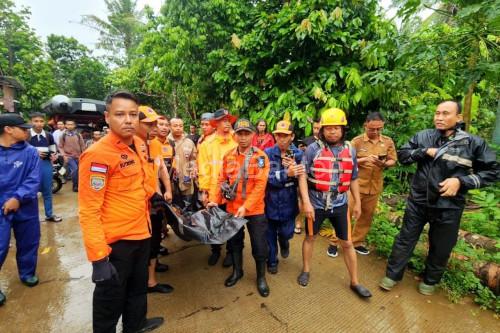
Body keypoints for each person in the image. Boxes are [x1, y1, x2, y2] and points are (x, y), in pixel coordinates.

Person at [379, 100, 499, 296]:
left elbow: (493, 171)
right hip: (419, 200)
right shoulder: (424, 136)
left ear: (458, 118)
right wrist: (424, 151)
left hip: (449, 205)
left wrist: (462, 182)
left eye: (445, 113)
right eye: (437, 113)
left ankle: (430, 280)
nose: (439, 117)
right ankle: (392, 275)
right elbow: (403, 155)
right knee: (405, 239)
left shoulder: (473, 143)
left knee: (442, 246)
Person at [78, 90, 164, 333]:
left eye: (133, 114)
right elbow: (88, 210)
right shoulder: (97, 155)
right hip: (117, 244)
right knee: (110, 300)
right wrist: (98, 258)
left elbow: (139, 181)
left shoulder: (138, 144)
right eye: (120, 114)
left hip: (142, 232)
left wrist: (152, 195)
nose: (128, 120)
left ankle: (135, 325)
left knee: (137, 289)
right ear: (107, 117)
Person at [297, 108, 372, 298]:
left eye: (336, 128)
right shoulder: (313, 149)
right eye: (328, 128)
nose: (332, 132)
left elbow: (353, 177)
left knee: (347, 242)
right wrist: (306, 203)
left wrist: (357, 203)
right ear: (322, 130)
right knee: (310, 238)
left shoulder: (350, 149)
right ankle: (306, 270)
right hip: (316, 203)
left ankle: (355, 281)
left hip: (340, 204)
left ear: (342, 129)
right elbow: (303, 176)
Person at [207, 118, 271, 297]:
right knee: (234, 243)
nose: (243, 137)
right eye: (239, 134)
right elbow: (221, 181)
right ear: (234, 135)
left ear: (252, 135)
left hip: (255, 210)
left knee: (259, 245)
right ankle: (237, 271)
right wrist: (214, 199)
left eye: (246, 133)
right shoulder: (228, 156)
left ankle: (261, 278)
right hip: (233, 209)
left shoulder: (260, 157)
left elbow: (260, 185)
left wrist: (247, 206)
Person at [326, 112, 397, 257]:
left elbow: (393, 160)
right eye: (372, 129)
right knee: (344, 215)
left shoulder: (388, 141)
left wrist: (384, 163)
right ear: (366, 125)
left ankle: (357, 242)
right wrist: (364, 160)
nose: (376, 132)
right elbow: (344, 161)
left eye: (379, 129)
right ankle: (334, 242)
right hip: (355, 186)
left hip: (374, 187)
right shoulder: (356, 142)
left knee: (366, 217)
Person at [0, 114, 41, 306]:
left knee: (29, 241)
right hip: (1, 207)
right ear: (8, 129)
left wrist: (18, 197)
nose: (27, 131)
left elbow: (34, 179)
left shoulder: (30, 151)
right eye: (22, 128)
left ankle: (27, 273)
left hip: (25, 206)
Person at [135, 106, 174, 294]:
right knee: (146, 244)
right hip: (140, 205)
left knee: (155, 238)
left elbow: (161, 170)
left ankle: (151, 274)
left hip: (154, 201)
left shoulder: (156, 144)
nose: (154, 129)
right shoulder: (131, 145)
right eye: (149, 124)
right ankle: (149, 282)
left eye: (154, 124)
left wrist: (167, 190)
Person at [197, 108, 237, 266]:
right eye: (223, 120)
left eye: (228, 120)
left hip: (232, 191)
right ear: (216, 123)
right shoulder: (207, 144)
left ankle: (231, 252)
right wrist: (204, 191)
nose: (227, 123)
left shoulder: (236, 140)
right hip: (214, 190)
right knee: (214, 223)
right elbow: (203, 169)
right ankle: (215, 250)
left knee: (232, 223)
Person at [264, 120, 304, 274]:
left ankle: (284, 241)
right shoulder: (267, 154)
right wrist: (286, 173)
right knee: (269, 235)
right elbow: (266, 177)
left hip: (289, 202)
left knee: (286, 232)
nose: (281, 139)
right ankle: (272, 260)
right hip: (270, 201)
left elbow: (304, 178)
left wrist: (295, 169)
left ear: (292, 136)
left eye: (285, 136)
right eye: (278, 135)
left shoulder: (299, 155)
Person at [27, 112, 62, 223]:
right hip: (29, 166)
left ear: (45, 122)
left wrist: (54, 155)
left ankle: (49, 214)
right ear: (30, 122)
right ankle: (30, 217)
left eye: (41, 121)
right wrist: (34, 152)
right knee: (30, 191)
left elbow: (53, 149)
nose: (39, 124)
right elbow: (19, 149)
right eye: (36, 121)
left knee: (47, 190)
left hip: (45, 164)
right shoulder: (25, 135)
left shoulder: (48, 135)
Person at [169, 117, 197, 209]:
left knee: (187, 207)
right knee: (172, 208)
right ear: (170, 127)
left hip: (186, 179)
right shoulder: (165, 141)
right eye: (175, 126)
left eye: (180, 126)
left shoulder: (189, 142)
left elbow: (193, 159)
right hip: (170, 182)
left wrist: (193, 169)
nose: (178, 128)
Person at [59, 120, 86, 192]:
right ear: (66, 125)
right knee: (75, 170)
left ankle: (78, 184)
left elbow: (82, 146)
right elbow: (60, 146)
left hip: (78, 156)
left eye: (71, 124)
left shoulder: (78, 135)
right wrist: (64, 156)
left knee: (79, 172)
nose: (70, 126)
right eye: (68, 124)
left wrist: (83, 155)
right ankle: (75, 186)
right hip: (69, 157)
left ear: (74, 126)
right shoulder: (63, 135)